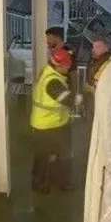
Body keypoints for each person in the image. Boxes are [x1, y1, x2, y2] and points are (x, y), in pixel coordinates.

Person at [30, 48, 82, 193]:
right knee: (43, 157)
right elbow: (69, 100)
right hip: (45, 126)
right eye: (65, 66)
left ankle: (62, 181)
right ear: (57, 65)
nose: (67, 68)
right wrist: (83, 98)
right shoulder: (51, 81)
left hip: (58, 124)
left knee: (64, 155)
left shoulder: (51, 73)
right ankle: (39, 184)